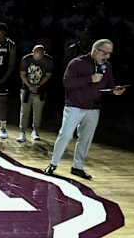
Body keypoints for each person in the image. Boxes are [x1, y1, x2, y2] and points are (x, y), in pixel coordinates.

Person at [44, 39, 125, 179]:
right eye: (105, 53)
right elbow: (67, 82)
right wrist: (90, 79)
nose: (107, 57)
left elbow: (109, 85)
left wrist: (114, 90)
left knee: (86, 138)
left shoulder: (107, 66)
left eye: (109, 54)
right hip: (74, 106)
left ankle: (77, 167)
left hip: (94, 108)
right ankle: (53, 163)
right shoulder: (77, 63)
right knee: (65, 135)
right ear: (95, 51)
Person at [17, 44, 54, 142]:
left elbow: (48, 75)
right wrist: (29, 86)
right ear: (32, 52)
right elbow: (22, 74)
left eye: (40, 55)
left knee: (38, 112)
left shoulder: (48, 61)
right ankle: (22, 132)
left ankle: (35, 131)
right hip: (26, 88)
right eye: (36, 54)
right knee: (24, 111)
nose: (37, 57)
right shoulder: (26, 59)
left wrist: (38, 86)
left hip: (40, 89)